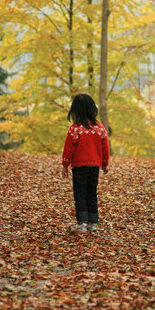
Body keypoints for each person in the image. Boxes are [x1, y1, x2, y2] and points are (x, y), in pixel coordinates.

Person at [62, 93, 109, 233]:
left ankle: (82, 224)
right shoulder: (100, 128)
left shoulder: (74, 129)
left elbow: (68, 149)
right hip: (94, 166)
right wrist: (104, 164)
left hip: (79, 166)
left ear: (75, 110)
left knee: (80, 194)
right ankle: (93, 223)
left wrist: (65, 165)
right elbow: (105, 148)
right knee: (91, 193)